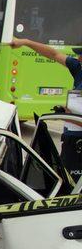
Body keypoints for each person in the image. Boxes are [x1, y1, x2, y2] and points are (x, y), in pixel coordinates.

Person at [11, 38, 82, 182]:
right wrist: (26, 42)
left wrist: (68, 115)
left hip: (79, 145)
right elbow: (54, 55)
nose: (78, 58)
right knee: (65, 182)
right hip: (70, 141)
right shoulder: (78, 69)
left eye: (81, 55)